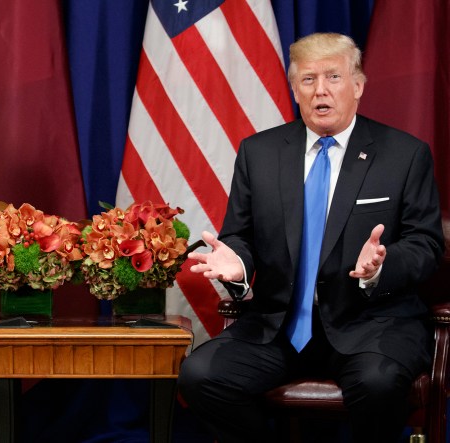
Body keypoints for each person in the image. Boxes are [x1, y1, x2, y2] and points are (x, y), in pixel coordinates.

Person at [177, 32, 444, 443]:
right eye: (308, 79)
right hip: (277, 326)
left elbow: (426, 243)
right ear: (294, 89)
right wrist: (241, 268)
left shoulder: (404, 154)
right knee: (201, 376)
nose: (321, 90)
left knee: (378, 382)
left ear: (357, 86)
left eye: (333, 77)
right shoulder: (259, 153)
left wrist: (381, 266)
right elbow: (240, 236)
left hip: (371, 325)